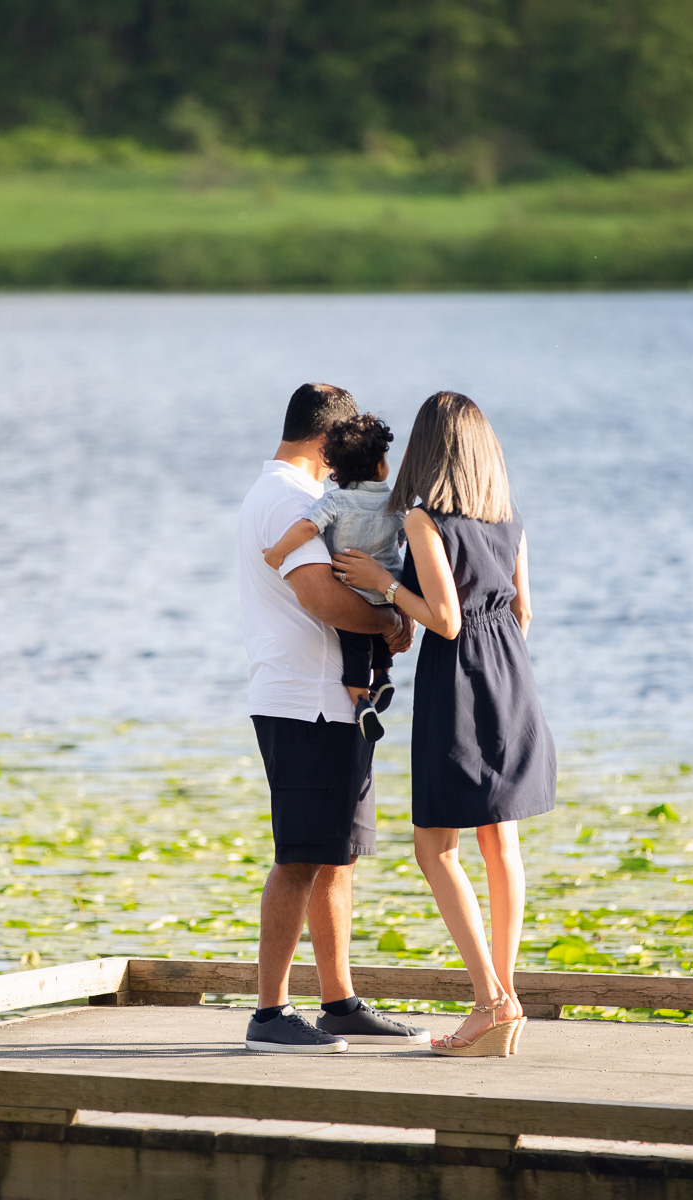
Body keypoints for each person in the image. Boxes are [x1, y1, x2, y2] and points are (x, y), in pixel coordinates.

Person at [335, 391, 556, 1058]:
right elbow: (521, 612)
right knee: (501, 846)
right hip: (511, 680)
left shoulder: (427, 521)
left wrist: (382, 580)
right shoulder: (510, 517)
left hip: (457, 684)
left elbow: (446, 618)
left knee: (436, 850)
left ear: (429, 450)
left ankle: (491, 1002)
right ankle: (504, 997)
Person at [237, 383, 429, 1055]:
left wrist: (388, 620)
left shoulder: (298, 498)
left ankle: (339, 1001)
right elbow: (321, 597)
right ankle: (269, 1013)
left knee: (336, 856)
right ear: (327, 443)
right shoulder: (289, 500)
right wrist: (394, 619)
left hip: (336, 702)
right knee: (300, 857)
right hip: (304, 700)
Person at [261, 413, 402, 742]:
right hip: (386, 590)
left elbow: (307, 527)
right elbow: (401, 537)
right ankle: (383, 676)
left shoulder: (334, 500)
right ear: (381, 465)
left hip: (351, 589)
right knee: (380, 634)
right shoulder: (394, 501)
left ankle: (361, 701)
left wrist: (278, 553)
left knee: (355, 645)